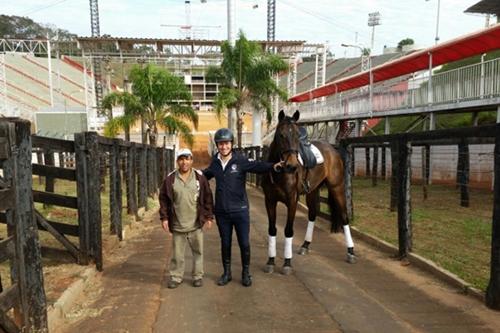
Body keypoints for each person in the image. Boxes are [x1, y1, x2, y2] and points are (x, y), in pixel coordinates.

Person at [203, 128, 283, 287]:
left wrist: (273, 166)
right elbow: (205, 175)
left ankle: (246, 273)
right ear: (217, 145)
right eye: (220, 144)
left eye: (226, 143)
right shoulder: (215, 162)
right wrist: (190, 174)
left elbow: (258, 166)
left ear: (231, 144)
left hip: (240, 211)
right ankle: (226, 273)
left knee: (244, 243)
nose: (223, 147)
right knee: (225, 243)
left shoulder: (240, 160)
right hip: (222, 212)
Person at [159, 148, 214, 289]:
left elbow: (208, 197)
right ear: (177, 161)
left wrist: (208, 216)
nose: (184, 162)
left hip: (195, 224)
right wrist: (164, 218)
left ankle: (197, 276)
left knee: (198, 252)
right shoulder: (170, 179)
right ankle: (176, 277)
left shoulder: (199, 177)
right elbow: (164, 199)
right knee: (177, 254)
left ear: (191, 160)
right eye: (181, 159)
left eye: (187, 159)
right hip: (178, 225)